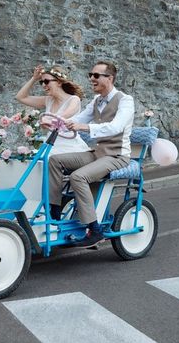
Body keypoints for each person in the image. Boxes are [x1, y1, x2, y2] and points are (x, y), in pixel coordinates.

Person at [48, 61, 134, 248]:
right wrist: (56, 122)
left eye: (96, 76)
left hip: (116, 156)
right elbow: (78, 119)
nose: (91, 79)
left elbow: (115, 127)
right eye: (90, 75)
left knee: (78, 177)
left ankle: (94, 230)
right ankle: (54, 212)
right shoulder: (97, 101)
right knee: (54, 161)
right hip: (97, 153)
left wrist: (83, 127)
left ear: (109, 78)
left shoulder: (125, 100)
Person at [15, 65, 90, 155]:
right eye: (41, 82)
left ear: (59, 82)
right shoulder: (48, 100)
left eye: (46, 81)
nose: (43, 85)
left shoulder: (74, 99)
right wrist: (34, 78)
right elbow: (20, 97)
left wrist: (48, 120)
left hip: (68, 146)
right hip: (50, 144)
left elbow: (65, 115)